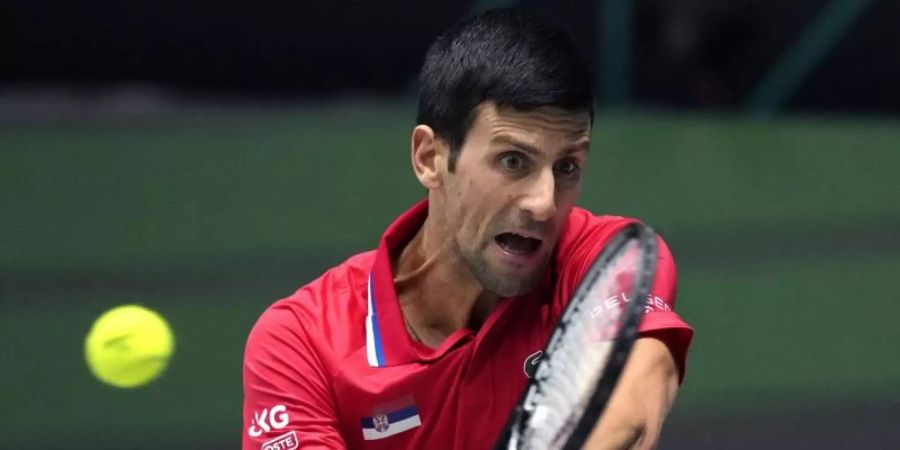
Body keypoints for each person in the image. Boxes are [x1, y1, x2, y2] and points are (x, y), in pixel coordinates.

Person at [243, 9, 693, 450]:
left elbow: (635, 397)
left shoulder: (604, 258)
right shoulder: (302, 342)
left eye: (568, 166)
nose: (543, 202)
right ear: (429, 158)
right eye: (513, 161)